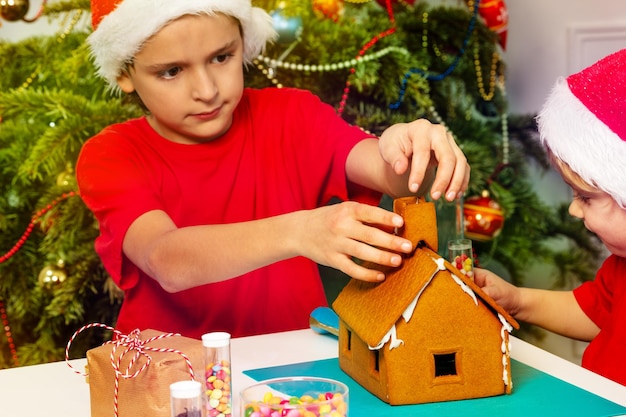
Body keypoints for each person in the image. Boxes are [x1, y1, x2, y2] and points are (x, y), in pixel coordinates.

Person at [77, 0, 470, 340]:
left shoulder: (291, 116)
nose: (207, 90)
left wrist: (409, 146)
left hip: (296, 376)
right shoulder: (112, 154)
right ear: (124, 73)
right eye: (171, 72)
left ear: (242, 45)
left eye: (221, 57)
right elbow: (167, 260)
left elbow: (389, 171)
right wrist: (300, 230)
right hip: (172, 378)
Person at [474, 48, 626, 386]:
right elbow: (595, 313)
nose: (573, 209)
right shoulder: (621, 265)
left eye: (586, 197)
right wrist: (517, 301)